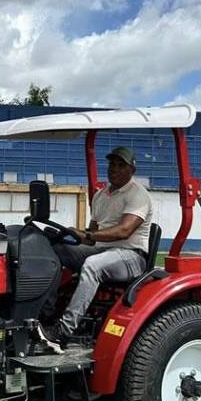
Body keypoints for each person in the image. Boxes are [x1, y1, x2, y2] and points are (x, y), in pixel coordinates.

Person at [44, 146, 152, 346]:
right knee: (54, 250)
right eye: (112, 164)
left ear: (132, 170)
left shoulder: (138, 195)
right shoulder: (101, 196)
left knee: (93, 265)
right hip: (102, 250)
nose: (114, 169)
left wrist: (86, 234)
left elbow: (124, 231)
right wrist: (70, 234)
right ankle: (46, 313)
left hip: (130, 255)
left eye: (121, 166)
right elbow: (91, 239)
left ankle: (64, 329)